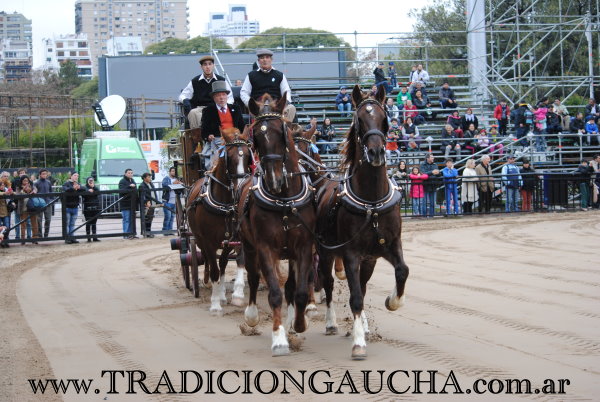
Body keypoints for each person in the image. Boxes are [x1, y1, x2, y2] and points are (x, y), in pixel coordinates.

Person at [200, 80, 245, 170]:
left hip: (235, 140)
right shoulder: (208, 111)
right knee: (213, 163)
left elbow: (242, 127)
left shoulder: (236, 109)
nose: (221, 98)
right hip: (217, 141)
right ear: (214, 98)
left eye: (223, 95)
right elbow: (204, 130)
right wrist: (209, 136)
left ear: (227, 96)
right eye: (218, 95)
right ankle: (211, 179)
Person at [179, 55, 232, 130]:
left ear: (213, 65)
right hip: (200, 109)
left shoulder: (222, 80)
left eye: (210, 64)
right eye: (205, 64)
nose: (208, 67)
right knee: (193, 113)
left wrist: (225, 107)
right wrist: (185, 100)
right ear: (201, 67)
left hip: (217, 107)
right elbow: (183, 95)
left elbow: (230, 97)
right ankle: (197, 137)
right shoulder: (195, 81)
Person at [240, 49, 295, 121]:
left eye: (267, 57)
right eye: (262, 58)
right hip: (258, 107)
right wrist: (251, 104)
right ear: (258, 61)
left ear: (271, 60)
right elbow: (243, 92)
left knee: (291, 108)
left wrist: (284, 104)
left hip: (276, 107)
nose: (264, 60)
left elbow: (286, 91)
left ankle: (286, 130)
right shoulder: (251, 75)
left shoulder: (279, 75)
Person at [16, 175, 40, 244]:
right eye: (24, 180)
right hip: (23, 208)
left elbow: (36, 190)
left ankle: (35, 238)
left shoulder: (32, 185)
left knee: (34, 223)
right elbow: (17, 195)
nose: (26, 182)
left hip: (32, 207)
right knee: (23, 224)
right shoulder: (18, 187)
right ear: (21, 181)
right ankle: (23, 239)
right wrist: (23, 190)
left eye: (27, 180)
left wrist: (32, 190)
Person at [62, 172, 84, 244]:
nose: (76, 177)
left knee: (72, 224)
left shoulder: (78, 184)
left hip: (75, 207)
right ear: (71, 176)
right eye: (75, 175)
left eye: (77, 176)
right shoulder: (66, 183)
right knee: (67, 223)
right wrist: (73, 188)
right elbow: (65, 189)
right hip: (67, 206)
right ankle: (67, 238)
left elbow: (84, 189)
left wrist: (79, 187)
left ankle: (72, 237)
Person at [34, 168, 53, 238]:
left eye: (45, 174)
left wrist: (51, 201)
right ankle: (40, 235)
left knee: (48, 219)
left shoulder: (48, 182)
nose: (45, 175)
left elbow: (51, 192)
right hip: (39, 204)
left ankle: (46, 235)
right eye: (43, 174)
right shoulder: (36, 183)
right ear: (40, 175)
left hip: (48, 203)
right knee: (39, 220)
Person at [119, 169, 138, 239]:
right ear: (125, 173)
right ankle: (126, 234)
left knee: (132, 219)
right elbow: (121, 191)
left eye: (131, 173)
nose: (130, 174)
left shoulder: (132, 180)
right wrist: (129, 186)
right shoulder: (122, 181)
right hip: (125, 204)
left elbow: (135, 190)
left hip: (132, 204)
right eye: (129, 173)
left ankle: (131, 233)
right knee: (126, 219)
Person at [162, 167, 181, 234]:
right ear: (169, 172)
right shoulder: (166, 179)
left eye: (174, 171)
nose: (174, 172)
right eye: (172, 171)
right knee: (168, 217)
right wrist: (174, 184)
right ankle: (165, 230)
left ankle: (170, 230)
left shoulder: (176, 179)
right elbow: (165, 186)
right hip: (167, 201)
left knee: (172, 217)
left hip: (174, 200)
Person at [82, 176, 101, 242]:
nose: (91, 182)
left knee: (94, 223)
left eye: (92, 180)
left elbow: (99, 192)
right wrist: (88, 191)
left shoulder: (95, 188)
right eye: (89, 180)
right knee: (88, 223)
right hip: (87, 208)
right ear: (87, 181)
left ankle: (94, 237)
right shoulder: (85, 188)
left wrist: (93, 187)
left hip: (95, 208)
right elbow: (83, 195)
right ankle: (88, 237)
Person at [139, 172, 157, 237]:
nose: (150, 178)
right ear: (144, 178)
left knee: (150, 218)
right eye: (148, 177)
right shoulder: (142, 185)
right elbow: (142, 195)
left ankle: (149, 231)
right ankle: (146, 232)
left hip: (152, 203)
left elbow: (154, 192)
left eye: (150, 177)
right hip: (147, 204)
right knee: (147, 218)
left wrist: (156, 201)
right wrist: (146, 202)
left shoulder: (151, 184)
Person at [0, 177, 12, 247]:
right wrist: (5, 192)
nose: (2, 186)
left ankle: (6, 241)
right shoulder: (4, 192)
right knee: (0, 228)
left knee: (7, 227)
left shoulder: (6, 190)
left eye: (3, 185)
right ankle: (2, 242)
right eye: (1, 185)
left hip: (5, 212)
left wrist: (10, 189)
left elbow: (11, 192)